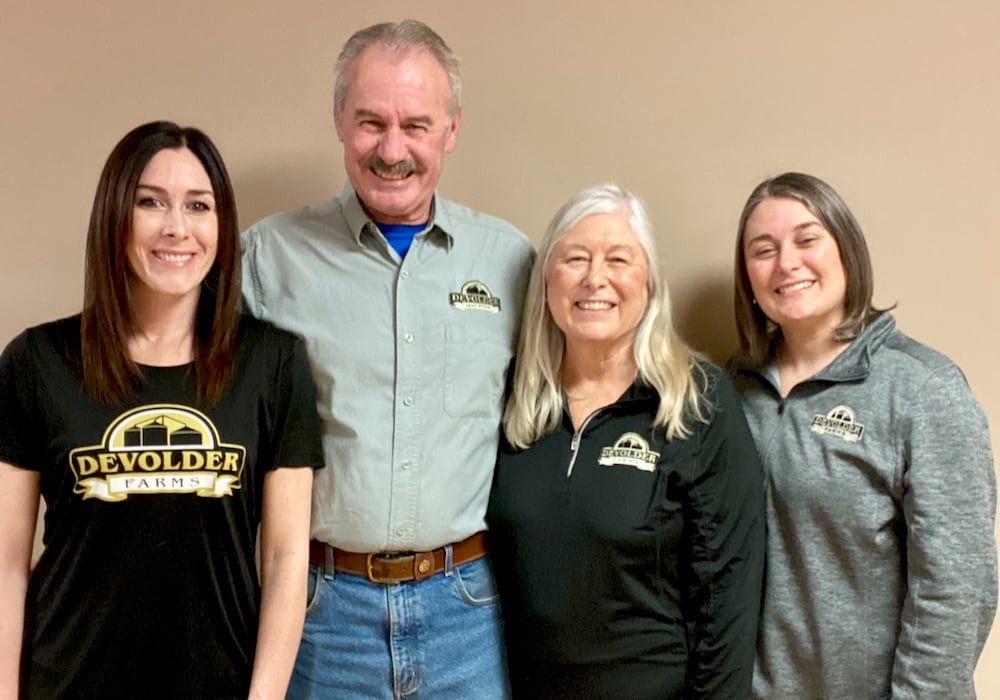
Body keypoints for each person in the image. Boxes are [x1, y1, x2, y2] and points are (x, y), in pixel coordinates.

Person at [240, 20, 535, 699]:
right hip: (320, 614)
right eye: (371, 121)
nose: (392, 149)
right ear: (339, 120)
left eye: (417, 125)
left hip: (466, 613)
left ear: (451, 130)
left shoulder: (510, 261)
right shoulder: (267, 261)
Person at [0, 121, 324, 700]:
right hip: (67, 682)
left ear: (221, 226)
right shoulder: (35, 362)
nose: (177, 228)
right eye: (151, 202)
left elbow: (284, 559)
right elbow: (5, 565)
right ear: (115, 216)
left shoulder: (273, 364)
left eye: (198, 206)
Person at [486, 184, 765, 700]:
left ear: (649, 285)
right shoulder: (508, 401)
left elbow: (729, 593)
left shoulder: (698, 403)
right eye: (575, 258)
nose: (596, 278)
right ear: (546, 279)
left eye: (619, 259)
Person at [729, 171, 997, 699]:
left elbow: (957, 590)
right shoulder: (732, 392)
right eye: (764, 250)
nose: (787, 263)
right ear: (749, 282)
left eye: (807, 239)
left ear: (847, 251)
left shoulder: (922, 390)